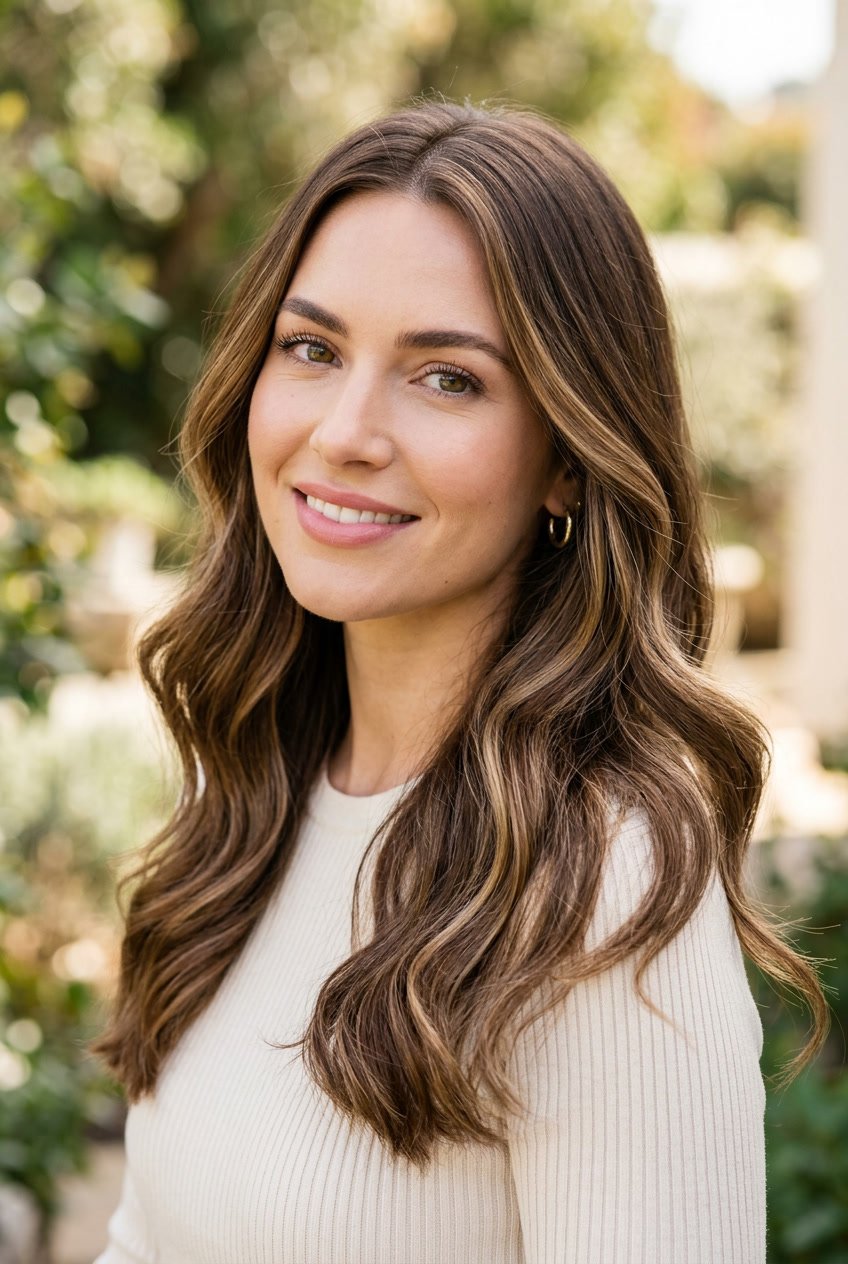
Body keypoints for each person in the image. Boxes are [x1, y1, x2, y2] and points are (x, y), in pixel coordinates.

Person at [92, 100, 827, 1263]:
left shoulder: (605, 886)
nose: (343, 430)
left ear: (568, 461)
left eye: (445, 379)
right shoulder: (250, 789)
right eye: (312, 348)